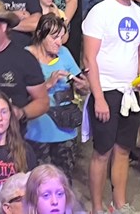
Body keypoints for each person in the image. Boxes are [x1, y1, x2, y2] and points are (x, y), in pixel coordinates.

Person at [83, 0, 140, 214]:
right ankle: (97, 207)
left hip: (129, 93)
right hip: (106, 90)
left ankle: (119, 204)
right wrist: (99, 97)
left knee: (123, 150)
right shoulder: (100, 12)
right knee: (102, 152)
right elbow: (89, 58)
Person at [24, 13, 87, 178]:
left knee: (64, 181)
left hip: (65, 131)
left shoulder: (64, 53)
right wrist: (48, 84)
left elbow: (82, 86)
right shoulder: (26, 57)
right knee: (37, 182)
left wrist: (83, 87)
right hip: (37, 132)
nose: (59, 42)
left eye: (61, 37)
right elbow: (20, 96)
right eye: (54, 37)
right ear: (40, 35)